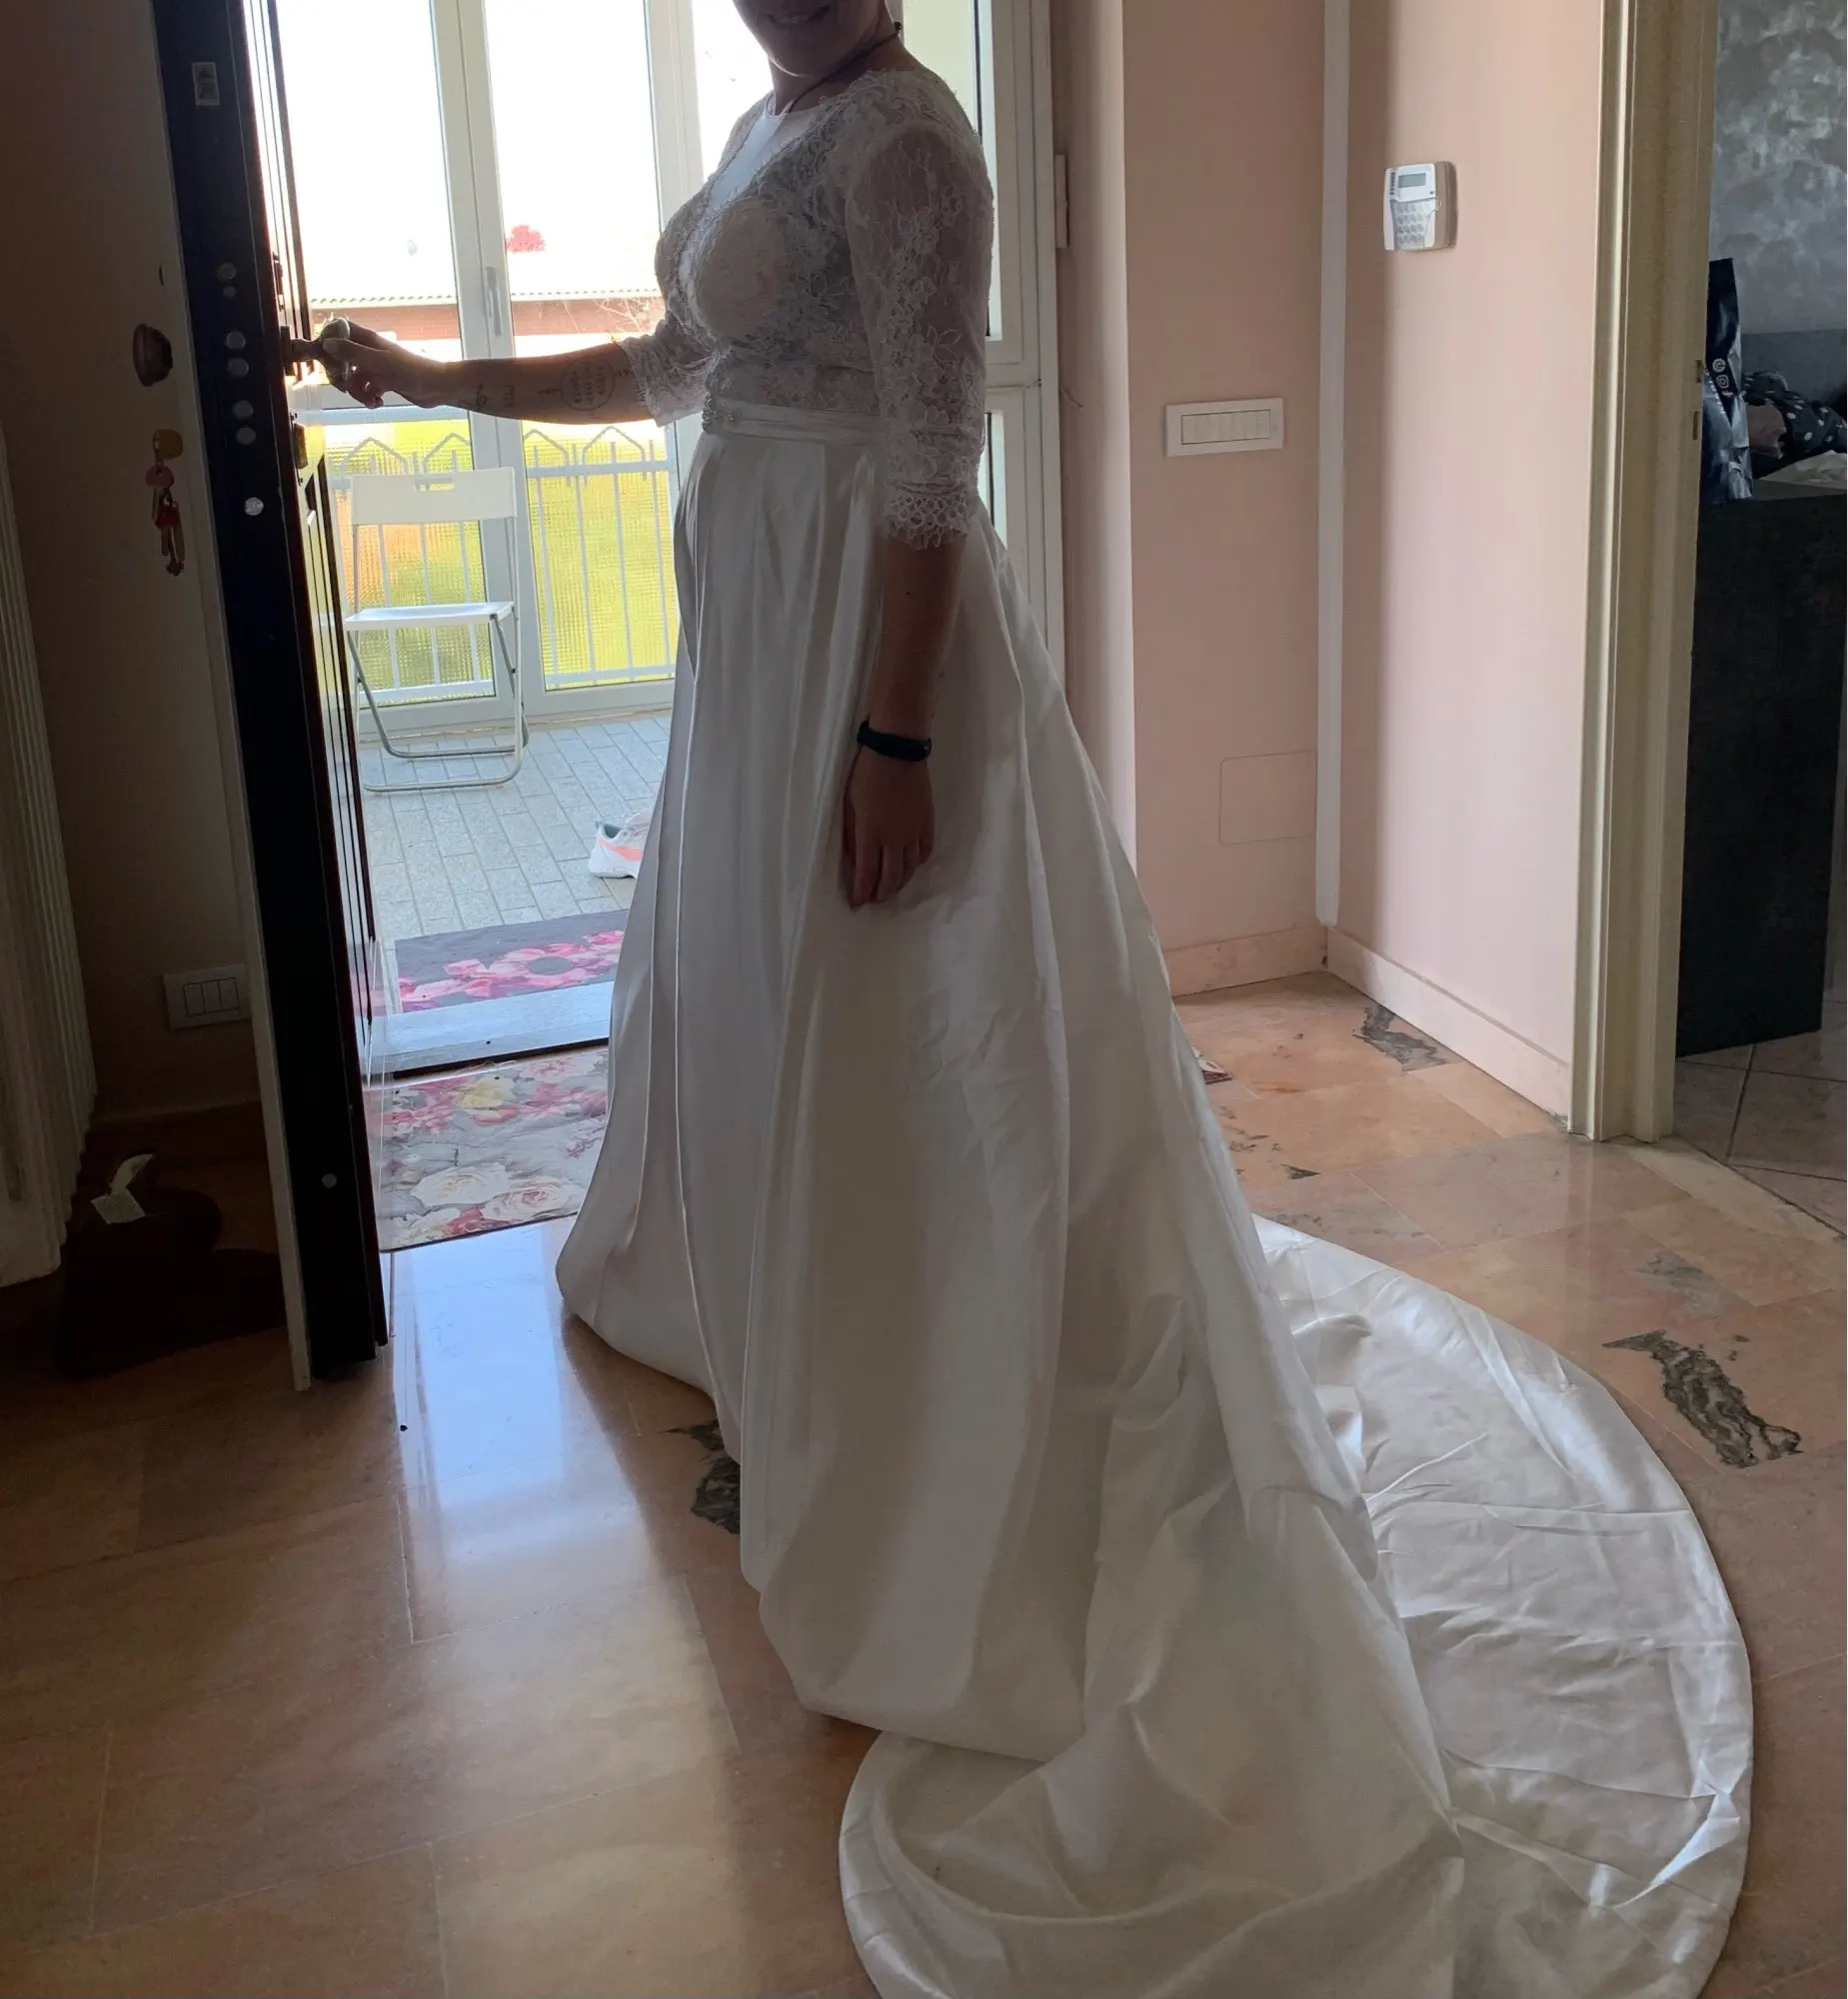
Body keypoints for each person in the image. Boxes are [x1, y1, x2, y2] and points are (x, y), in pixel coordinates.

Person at [325, 7, 1748, 1993]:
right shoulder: (774, 123)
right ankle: (806, 1297)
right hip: (760, 623)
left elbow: (930, 463)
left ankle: (939, 1365)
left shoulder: (909, 139)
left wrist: (896, 736)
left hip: (862, 637)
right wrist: (432, 377)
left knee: (907, 1024)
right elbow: (668, 368)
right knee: (767, 1005)